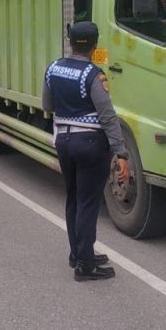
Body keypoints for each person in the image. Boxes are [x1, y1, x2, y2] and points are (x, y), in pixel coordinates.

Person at [42, 21, 130, 282]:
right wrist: (121, 153)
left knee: (73, 199)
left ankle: (78, 253)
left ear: (70, 41)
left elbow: (47, 104)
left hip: (64, 142)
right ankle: (85, 265)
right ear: (94, 45)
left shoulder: (53, 68)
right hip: (90, 145)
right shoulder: (94, 74)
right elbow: (108, 117)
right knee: (88, 203)